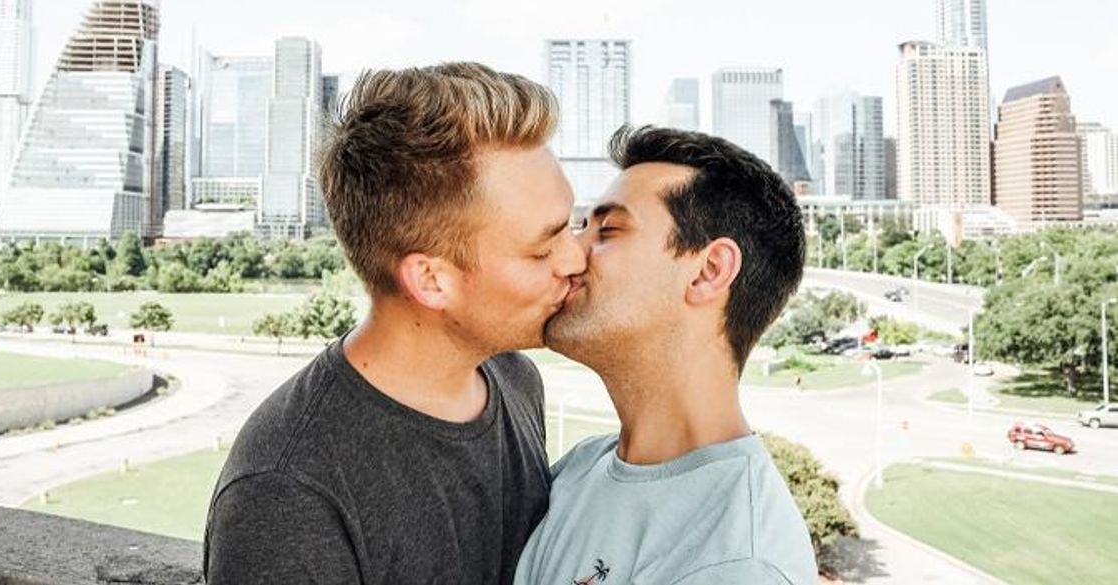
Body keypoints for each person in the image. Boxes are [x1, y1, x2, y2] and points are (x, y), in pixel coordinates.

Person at [204, 62, 585, 584]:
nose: (576, 259)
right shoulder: (287, 493)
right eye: (543, 248)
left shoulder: (515, 380)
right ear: (431, 281)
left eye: (574, 225)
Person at [515, 126, 817, 584]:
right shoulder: (580, 470)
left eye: (608, 230)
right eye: (582, 226)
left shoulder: (739, 560)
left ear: (708, 272)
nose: (572, 254)